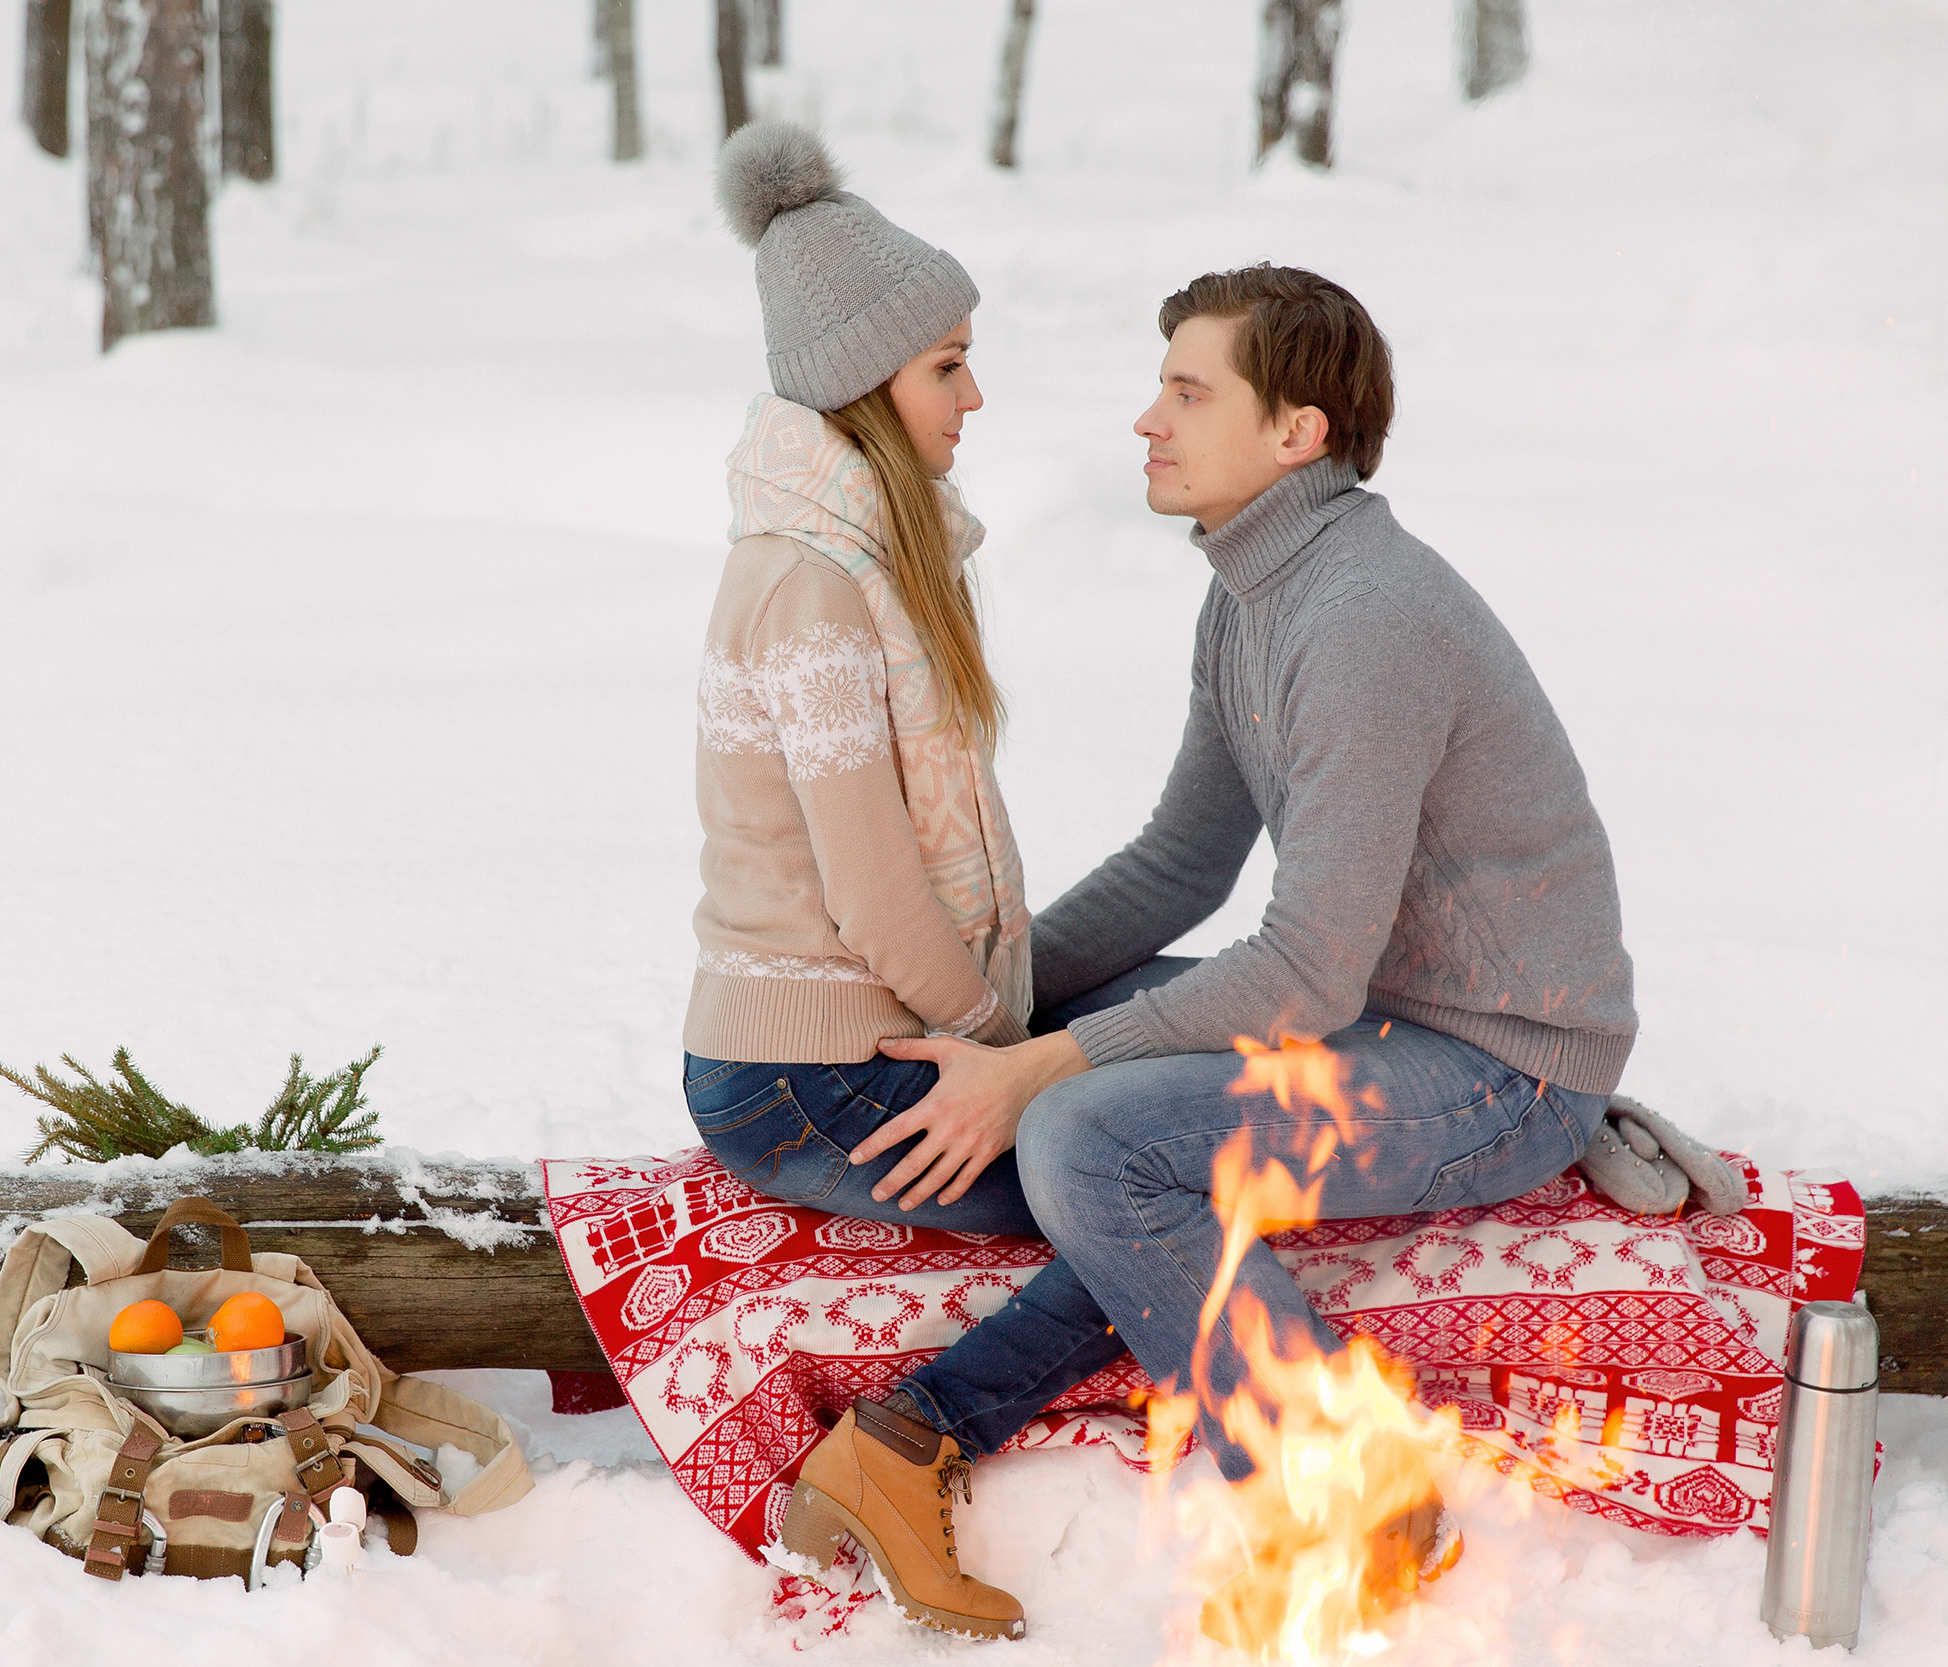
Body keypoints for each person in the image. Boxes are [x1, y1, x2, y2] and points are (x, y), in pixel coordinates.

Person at [784, 262, 1640, 1641]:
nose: (1147, 421)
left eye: (1190, 391)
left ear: (1297, 434)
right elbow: (1183, 863)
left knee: (1087, 1140)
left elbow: (1306, 975)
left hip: (1499, 1066)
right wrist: (988, 1007)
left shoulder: (1364, 618)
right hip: (1390, 1015)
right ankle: (909, 1439)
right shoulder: (1254, 592)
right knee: (1097, 1035)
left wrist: (1031, 1075)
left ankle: (1343, 1494)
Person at [683, 121, 1037, 1638]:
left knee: (1154, 1081)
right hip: (812, 1070)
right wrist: (1000, 1050)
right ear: (869, 383)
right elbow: (876, 898)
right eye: (947, 364)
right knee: (1144, 1194)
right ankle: (904, 1449)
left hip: (862, 1034)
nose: (974, 393)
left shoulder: (861, 554)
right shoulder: (814, 584)